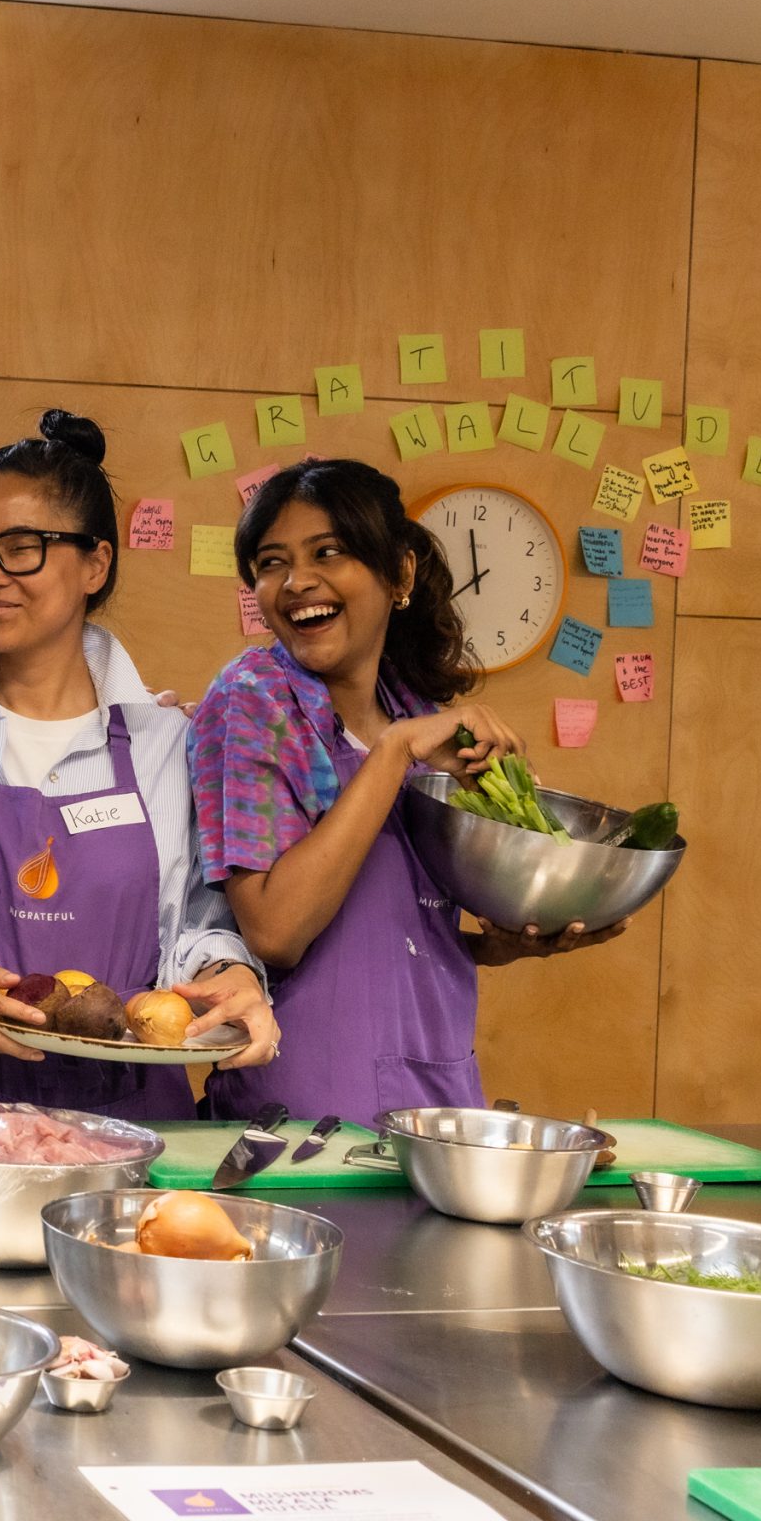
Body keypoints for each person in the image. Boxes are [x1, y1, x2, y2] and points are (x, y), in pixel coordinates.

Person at [0, 410, 278, 1119]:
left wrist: (229, 980)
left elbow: (200, 923)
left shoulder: (170, 744)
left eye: (22, 547)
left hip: (131, 1129)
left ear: (96, 562)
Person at [187, 458, 622, 1122]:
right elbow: (274, 929)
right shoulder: (254, 703)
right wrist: (392, 753)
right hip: (300, 1120)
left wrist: (501, 943)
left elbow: (401, 932)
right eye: (271, 562)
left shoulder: (411, 706)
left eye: (327, 552)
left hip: (437, 1103)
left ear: (401, 574)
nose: (297, 582)